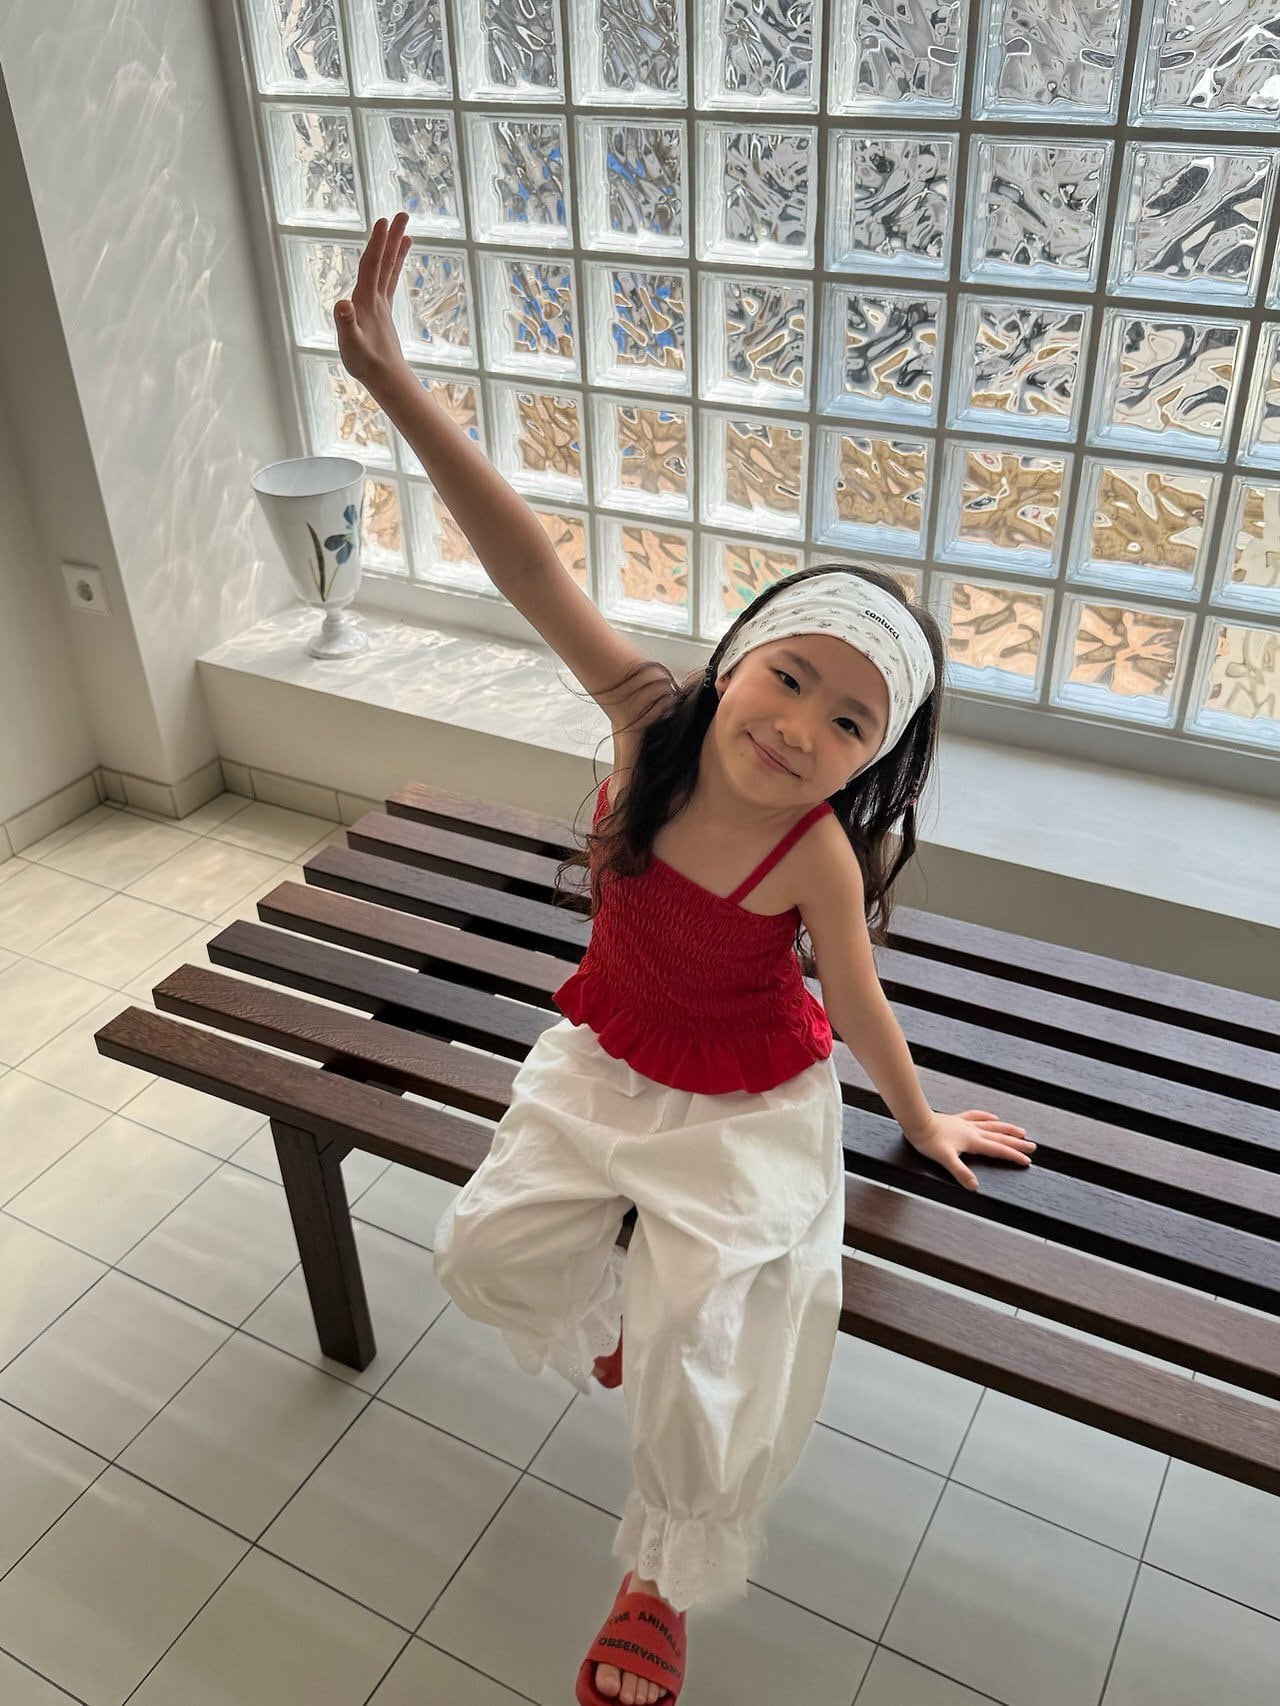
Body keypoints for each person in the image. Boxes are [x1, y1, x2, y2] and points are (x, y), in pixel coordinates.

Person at [334, 214, 1036, 1706]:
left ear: (875, 760)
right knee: (486, 1255)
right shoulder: (648, 720)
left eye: (849, 723)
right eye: (791, 677)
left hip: (743, 1100)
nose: (799, 729)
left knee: (714, 1360)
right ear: (737, 660)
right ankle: (617, 1326)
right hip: (613, 1053)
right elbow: (528, 560)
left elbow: (856, 1001)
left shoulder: (821, 855)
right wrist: (393, 384)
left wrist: (920, 1121)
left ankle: (655, 1585)